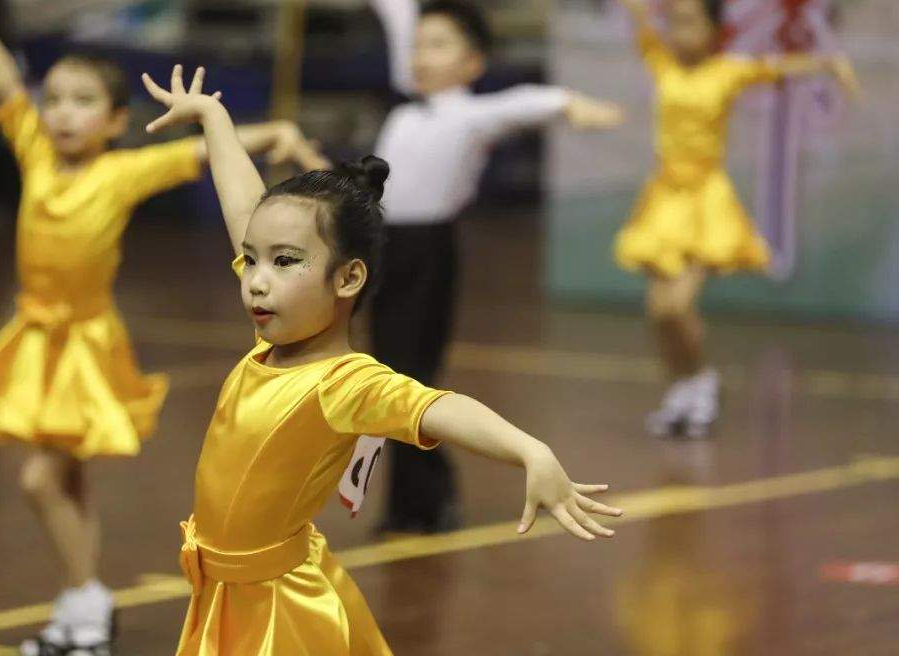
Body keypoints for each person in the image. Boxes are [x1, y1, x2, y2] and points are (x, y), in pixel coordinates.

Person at [0, 0, 327, 656]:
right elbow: (4, 85)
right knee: (67, 476)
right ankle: (79, 618)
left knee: (41, 478)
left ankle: (88, 601)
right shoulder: (36, 154)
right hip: (34, 336)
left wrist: (274, 131)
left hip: (84, 344)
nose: (64, 113)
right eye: (57, 100)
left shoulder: (122, 174)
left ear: (113, 121)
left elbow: (199, 153)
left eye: (84, 102)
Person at [140, 63, 622, 655]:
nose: (256, 282)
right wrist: (215, 118)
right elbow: (243, 205)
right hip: (223, 596)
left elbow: (440, 406)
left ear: (348, 279)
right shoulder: (270, 344)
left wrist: (529, 449)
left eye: (284, 262)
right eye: (251, 260)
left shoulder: (345, 382)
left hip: (280, 611)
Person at [334, 0, 624, 533]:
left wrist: (572, 105)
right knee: (385, 374)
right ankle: (421, 500)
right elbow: (398, 23)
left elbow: (521, 105)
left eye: (438, 45)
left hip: (426, 253)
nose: (419, 54)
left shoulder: (468, 115)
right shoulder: (406, 96)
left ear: (471, 63)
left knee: (408, 377)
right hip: (380, 247)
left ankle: (423, 503)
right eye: (419, 45)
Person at [569, 0, 860, 439]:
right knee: (658, 311)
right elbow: (639, 14)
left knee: (679, 306)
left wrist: (829, 65)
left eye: (690, 23)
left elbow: (777, 66)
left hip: (705, 201)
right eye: (675, 21)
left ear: (715, 31)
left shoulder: (728, 71)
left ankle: (701, 380)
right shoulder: (662, 64)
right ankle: (682, 387)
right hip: (664, 200)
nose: (678, 32)